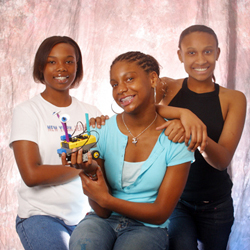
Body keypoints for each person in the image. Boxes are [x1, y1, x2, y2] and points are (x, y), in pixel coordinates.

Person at [63, 51, 195, 250]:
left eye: (129, 79)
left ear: (152, 79)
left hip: (148, 227)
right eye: (114, 84)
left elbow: (161, 213)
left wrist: (107, 199)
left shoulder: (176, 138)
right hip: (101, 222)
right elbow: (102, 211)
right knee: (84, 243)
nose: (121, 90)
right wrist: (89, 171)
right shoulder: (101, 131)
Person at [156, 25, 247, 250]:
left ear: (217, 52)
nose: (200, 59)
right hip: (176, 200)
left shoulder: (234, 98)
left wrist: (193, 133)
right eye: (192, 52)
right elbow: (138, 113)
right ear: (180, 55)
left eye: (207, 51)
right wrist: (181, 114)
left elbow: (222, 160)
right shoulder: (167, 87)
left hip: (216, 205)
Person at [9, 36, 102, 250]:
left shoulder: (92, 114)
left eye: (69, 61)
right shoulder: (27, 112)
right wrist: (82, 165)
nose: (62, 68)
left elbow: (103, 165)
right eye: (52, 61)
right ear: (41, 66)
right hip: (41, 216)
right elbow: (32, 175)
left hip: (85, 217)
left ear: (77, 67)